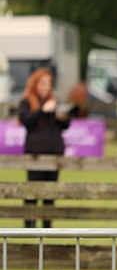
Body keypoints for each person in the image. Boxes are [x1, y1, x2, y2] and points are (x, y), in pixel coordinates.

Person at [17, 68, 70, 228]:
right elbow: (26, 121)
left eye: (49, 83)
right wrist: (42, 110)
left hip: (54, 152)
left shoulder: (55, 102)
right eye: (43, 83)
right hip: (35, 153)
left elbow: (65, 125)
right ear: (35, 84)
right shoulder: (27, 102)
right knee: (32, 190)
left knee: (50, 192)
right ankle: (29, 226)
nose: (46, 87)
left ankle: (47, 227)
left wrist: (62, 116)